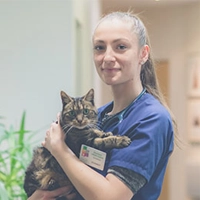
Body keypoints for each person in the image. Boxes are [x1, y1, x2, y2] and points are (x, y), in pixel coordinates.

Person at [28, 11, 177, 200]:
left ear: (143, 54)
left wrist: (59, 149)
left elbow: (112, 197)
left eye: (120, 47)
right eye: (99, 48)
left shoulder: (151, 118)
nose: (107, 57)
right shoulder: (99, 116)